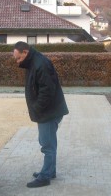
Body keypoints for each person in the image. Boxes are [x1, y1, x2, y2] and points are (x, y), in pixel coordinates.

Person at [13, 41, 69, 188]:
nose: (17, 62)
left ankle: (45, 177)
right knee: (49, 142)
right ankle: (50, 171)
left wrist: (36, 108)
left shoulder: (40, 63)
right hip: (47, 111)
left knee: (47, 145)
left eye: (18, 58)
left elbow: (47, 91)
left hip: (48, 112)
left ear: (25, 52)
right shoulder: (34, 62)